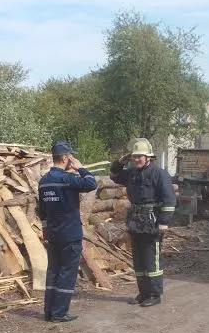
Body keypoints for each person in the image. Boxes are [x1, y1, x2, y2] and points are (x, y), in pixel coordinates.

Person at [109, 137, 177, 307]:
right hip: (135, 220)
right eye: (135, 157)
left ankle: (155, 294)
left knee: (151, 258)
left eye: (140, 156)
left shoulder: (159, 173)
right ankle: (144, 292)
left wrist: (163, 221)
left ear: (148, 157)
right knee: (138, 259)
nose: (137, 159)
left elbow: (169, 199)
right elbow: (115, 176)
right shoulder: (131, 172)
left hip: (152, 220)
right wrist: (120, 162)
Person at [37, 141, 97, 322]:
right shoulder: (67, 179)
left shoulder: (44, 181)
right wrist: (81, 168)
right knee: (67, 273)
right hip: (70, 234)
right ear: (65, 157)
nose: (72, 159)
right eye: (70, 156)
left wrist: (46, 231)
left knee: (53, 271)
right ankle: (60, 312)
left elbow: (42, 211)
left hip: (53, 234)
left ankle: (49, 311)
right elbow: (91, 183)